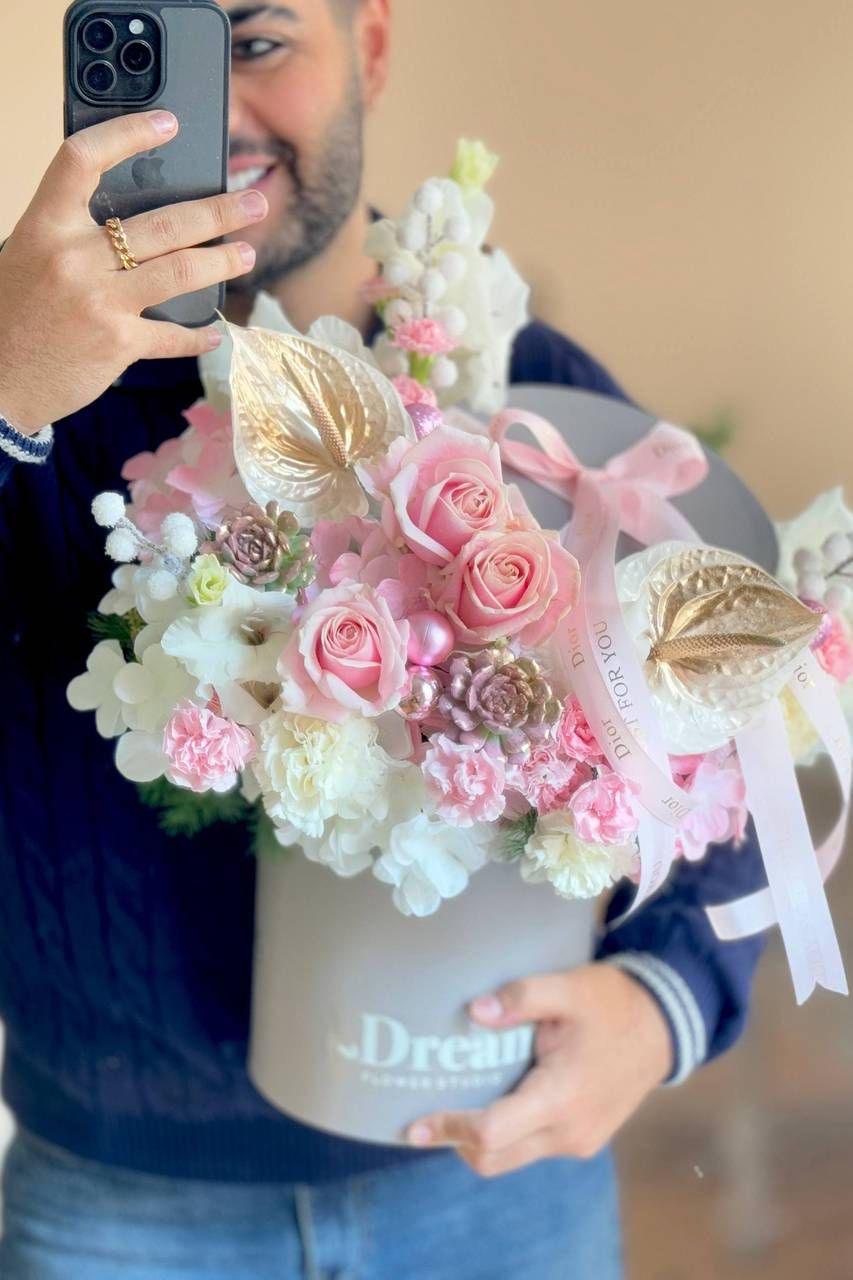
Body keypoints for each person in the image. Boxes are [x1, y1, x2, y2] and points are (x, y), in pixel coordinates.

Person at [0, 1, 767, 1276]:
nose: (217, 119)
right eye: (166, 59)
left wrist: (663, 999)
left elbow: (730, 741)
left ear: (371, 46)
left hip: (491, 1175)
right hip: (116, 1202)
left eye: (258, 43)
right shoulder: (30, 398)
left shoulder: (531, 392)